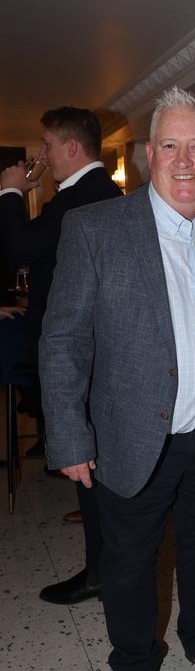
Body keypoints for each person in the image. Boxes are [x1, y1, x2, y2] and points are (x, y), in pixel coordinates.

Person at [40, 87, 195, 671]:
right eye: (172, 147)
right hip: (132, 433)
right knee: (129, 561)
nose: (185, 162)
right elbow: (63, 337)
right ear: (150, 154)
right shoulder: (96, 228)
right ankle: (136, 662)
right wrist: (69, 436)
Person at [0, 106, 123, 605]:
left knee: (90, 460)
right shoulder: (88, 195)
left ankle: (102, 571)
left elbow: (16, 247)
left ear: (72, 148)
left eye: (48, 146)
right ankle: (103, 566)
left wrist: (10, 189)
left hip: (85, 354)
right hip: (91, 349)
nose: (43, 157)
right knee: (89, 462)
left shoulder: (83, 197)